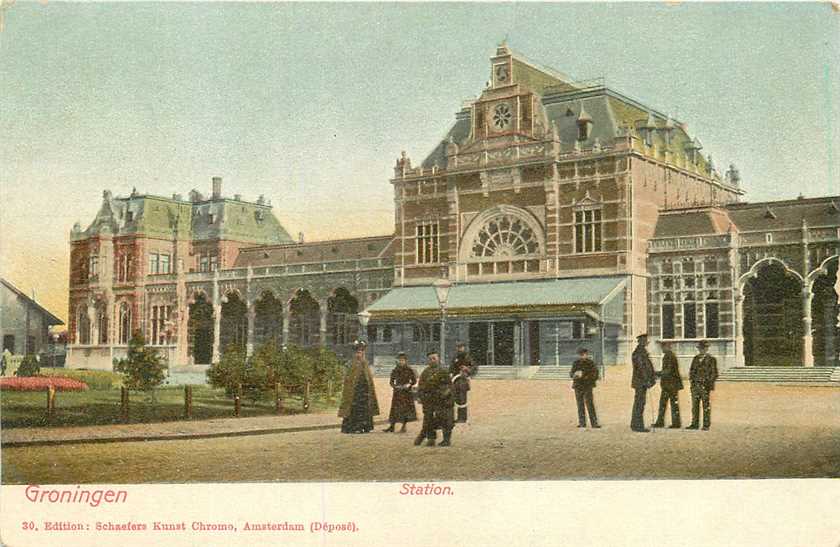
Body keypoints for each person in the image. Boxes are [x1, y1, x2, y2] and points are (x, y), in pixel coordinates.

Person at [414, 350, 455, 447]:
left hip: (441, 400)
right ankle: (431, 439)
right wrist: (420, 396)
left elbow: (449, 385)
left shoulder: (443, 371)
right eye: (430, 359)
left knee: (445, 420)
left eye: (434, 358)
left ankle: (446, 440)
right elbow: (421, 385)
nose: (432, 360)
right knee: (428, 419)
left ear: (438, 359)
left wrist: (444, 394)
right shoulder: (425, 372)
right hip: (429, 400)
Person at [338, 340, 380, 434]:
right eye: (357, 352)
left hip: (364, 391)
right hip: (354, 392)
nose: (359, 354)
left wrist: (367, 388)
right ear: (355, 353)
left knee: (364, 410)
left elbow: (368, 378)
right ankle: (351, 427)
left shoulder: (365, 363)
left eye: (360, 352)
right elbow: (348, 378)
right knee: (353, 409)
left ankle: (364, 427)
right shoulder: (352, 363)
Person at [687, 340, 718, 430]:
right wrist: (692, 382)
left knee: (706, 405)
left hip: (705, 386)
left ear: (707, 349)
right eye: (700, 348)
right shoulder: (695, 358)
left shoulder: (711, 359)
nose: (702, 350)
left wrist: (708, 382)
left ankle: (706, 424)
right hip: (695, 385)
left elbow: (714, 373)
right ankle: (694, 424)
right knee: (695, 406)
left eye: (704, 348)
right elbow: (691, 371)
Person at [383, 352, 417, 433]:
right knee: (395, 409)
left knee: (405, 409)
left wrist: (408, 385)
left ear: (406, 361)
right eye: (400, 360)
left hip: (406, 392)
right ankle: (392, 426)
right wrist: (395, 386)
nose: (401, 362)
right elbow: (391, 382)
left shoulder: (409, 370)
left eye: (403, 360)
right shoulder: (395, 370)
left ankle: (404, 426)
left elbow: (414, 381)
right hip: (398, 392)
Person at [652, 340, 683, 429]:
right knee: (666, 403)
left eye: (663, 347)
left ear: (668, 347)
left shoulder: (669, 356)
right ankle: (663, 422)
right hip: (669, 384)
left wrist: (656, 373)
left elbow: (668, 371)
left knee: (670, 404)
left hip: (671, 384)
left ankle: (674, 423)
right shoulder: (668, 356)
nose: (661, 348)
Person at [630, 333, 656, 432]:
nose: (646, 342)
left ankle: (635, 424)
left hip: (640, 382)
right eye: (645, 340)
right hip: (641, 382)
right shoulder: (640, 352)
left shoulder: (641, 351)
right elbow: (642, 368)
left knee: (639, 403)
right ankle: (638, 426)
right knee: (639, 403)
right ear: (641, 341)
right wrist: (647, 380)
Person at [570, 347, 600, 428]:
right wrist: (575, 375)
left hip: (587, 386)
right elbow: (571, 373)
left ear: (587, 355)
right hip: (578, 386)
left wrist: (586, 376)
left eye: (584, 354)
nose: (583, 356)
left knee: (590, 404)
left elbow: (596, 374)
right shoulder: (576, 363)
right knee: (580, 405)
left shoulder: (591, 363)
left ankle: (594, 423)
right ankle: (582, 423)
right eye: (581, 355)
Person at [450, 341, 476, 423]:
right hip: (455, 380)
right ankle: (456, 417)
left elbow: (474, 368)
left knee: (462, 399)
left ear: (464, 348)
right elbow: (451, 367)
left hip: (463, 381)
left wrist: (467, 369)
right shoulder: (455, 357)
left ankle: (462, 418)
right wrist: (451, 373)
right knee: (455, 399)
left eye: (461, 347)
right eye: (458, 347)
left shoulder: (468, 357)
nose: (459, 349)